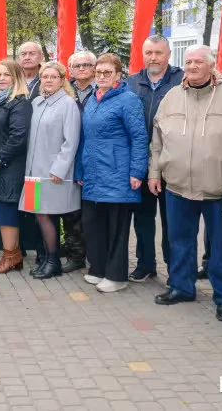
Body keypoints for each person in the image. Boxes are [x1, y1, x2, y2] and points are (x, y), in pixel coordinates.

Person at [149, 44, 222, 321]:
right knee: (179, 240)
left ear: (212, 64)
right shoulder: (171, 96)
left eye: (198, 62)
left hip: (219, 187)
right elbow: (157, 140)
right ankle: (181, 286)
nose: (192, 67)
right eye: (188, 62)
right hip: (177, 185)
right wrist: (154, 173)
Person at [75, 53, 147, 293]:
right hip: (93, 172)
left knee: (116, 227)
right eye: (99, 72)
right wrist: (80, 168)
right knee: (93, 224)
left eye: (107, 72)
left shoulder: (128, 100)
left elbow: (139, 137)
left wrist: (137, 171)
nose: (102, 76)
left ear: (118, 75)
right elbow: (85, 138)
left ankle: (116, 276)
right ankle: (98, 268)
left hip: (117, 172)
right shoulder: (94, 99)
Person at [126, 35, 183, 282]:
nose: (153, 58)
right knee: (143, 219)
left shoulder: (181, 80)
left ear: (168, 54)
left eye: (159, 53)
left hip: (172, 160)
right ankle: (145, 263)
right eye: (149, 52)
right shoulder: (131, 83)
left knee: (172, 222)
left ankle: (174, 269)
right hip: (140, 160)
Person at [20, 61, 81, 279]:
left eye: (53, 77)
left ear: (62, 80)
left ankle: (53, 261)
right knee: (40, 214)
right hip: (34, 173)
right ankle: (47, 258)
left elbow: (71, 141)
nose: (47, 80)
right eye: (44, 77)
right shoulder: (37, 102)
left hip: (53, 173)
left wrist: (60, 169)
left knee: (48, 215)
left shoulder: (68, 104)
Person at [0, 60, 32, 273]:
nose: (1, 78)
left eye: (6, 75)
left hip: (8, 167)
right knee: (2, 210)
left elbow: (18, 137)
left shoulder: (19, 102)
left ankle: (9, 256)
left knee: (6, 212)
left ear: (16, 78)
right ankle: (15, 255)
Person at [61, 50, 96, 272]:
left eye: (86, 65)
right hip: (69, 157)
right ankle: (75, 255)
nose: (81, 69)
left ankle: (94, 254)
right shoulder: (64, 90)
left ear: (94, 68)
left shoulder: (103, 90)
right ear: (70, 69)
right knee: (70, 210)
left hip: (93, 157)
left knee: (91, 211)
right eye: (77, 66)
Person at [17, 41, 50, 263]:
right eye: (23, 54)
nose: (27, 57)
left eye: (32, 53)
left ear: (40, 57)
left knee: (38, 204)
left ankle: (42, 251)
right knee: (17, 202)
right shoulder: (13, 79)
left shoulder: (47, 79)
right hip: (16, 153)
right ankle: (18, 248)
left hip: (39, 153)